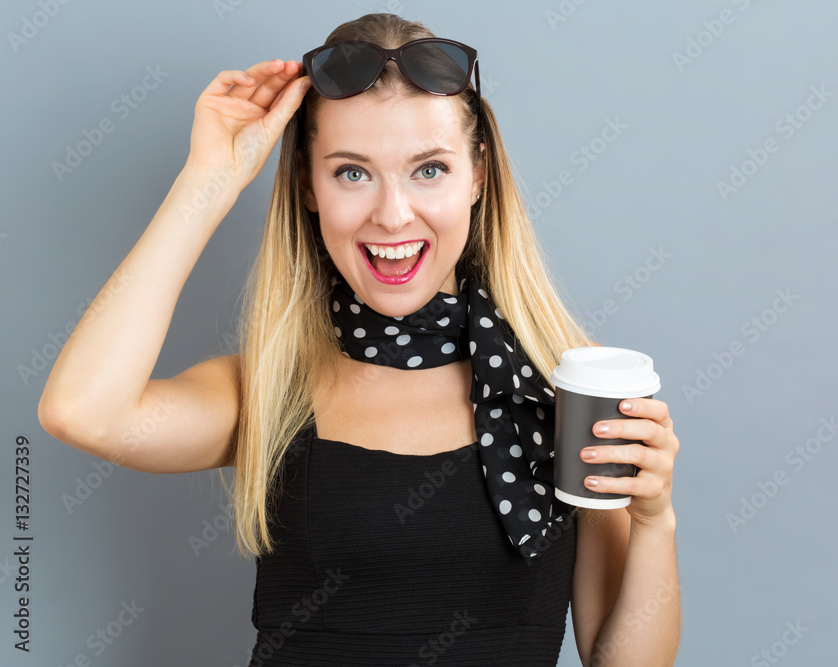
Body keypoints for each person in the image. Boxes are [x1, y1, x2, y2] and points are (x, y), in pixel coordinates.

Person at [38, 12, 681, 667]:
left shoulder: (563, 390)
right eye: (352, 172)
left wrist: (655, 520)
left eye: (429, 169)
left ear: (478, 176)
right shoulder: (269, 386)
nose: (393, 213)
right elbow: (83, 411)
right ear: (308, 188)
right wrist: (209, 181)